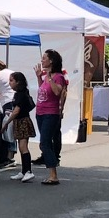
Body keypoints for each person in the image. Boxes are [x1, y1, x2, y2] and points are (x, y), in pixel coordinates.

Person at [34, 49, 67, 186]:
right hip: (40, 111)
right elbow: (42, 90)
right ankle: (52, 170)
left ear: (51, 61)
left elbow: (57, 92)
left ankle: (53, 175)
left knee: (45, 143)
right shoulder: (46, 76)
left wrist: (49, 77)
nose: (42, 61)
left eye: (44, 58)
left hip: (50, 113)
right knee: (46, 142)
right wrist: (39, 77)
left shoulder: (58, 76)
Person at [4, 71, 37, 183]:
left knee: (23, 147)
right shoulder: (20, 93)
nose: (10, 83)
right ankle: (24, 171)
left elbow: (16, 111)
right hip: (20, 122)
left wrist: (7, 122)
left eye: (12, 80)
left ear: (18, 82)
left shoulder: (20, 94)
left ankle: (28, 171)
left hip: (22, 122)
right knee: (21, 147)